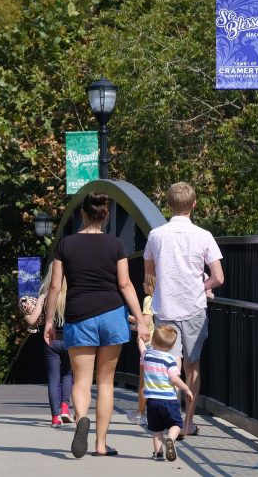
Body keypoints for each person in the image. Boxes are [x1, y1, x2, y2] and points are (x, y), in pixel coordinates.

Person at [43, 192, 147, 458]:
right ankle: (101, 444)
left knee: (81, 380)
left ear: (82, 214)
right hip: (113, 315)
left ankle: (81, 421)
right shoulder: (116, 245)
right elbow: (124, 284)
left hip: (80, 316)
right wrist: (142, 320)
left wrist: (48, 321)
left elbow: (55, 285)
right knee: (106, 383)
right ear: (106, 215)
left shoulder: (66, 245)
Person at [144, 181, 224, 438]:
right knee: (193, 367)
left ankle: (170, 421)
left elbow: (149, 274)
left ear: (168, 205)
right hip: (193, 310)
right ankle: (187, 423)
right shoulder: (204, 236)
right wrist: (202, 287)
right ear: (194, 204)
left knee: (170, 367)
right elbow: (219, 278)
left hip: (165, 310)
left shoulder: (156, 235)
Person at [20, 267, 74, 427]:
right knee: (68, 375)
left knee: (53, 378)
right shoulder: (73, 294)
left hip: (51, 341)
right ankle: (65, 408)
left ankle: (55, 417)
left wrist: (25, 311)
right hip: (70, 340)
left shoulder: (45, 295)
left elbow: (32, 321)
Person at [142, 325, 194, 462]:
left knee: (156, 429)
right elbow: (174, 379)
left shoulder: (147, 356)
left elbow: (142, 349)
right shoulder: (170, 360)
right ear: (171, 347)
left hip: (152, 400)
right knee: (176, 424)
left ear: (153, 341)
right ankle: (170, 438)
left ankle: (158, 453)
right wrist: (186, 389)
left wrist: (140, 340)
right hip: (169, 400)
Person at [127, 272, 156, 426]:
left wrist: (127, 316)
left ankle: (140, 414)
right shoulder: (162, 300)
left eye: (145, 283)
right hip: (162, 344)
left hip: (149, 344)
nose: (143, 285)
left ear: (151, 285)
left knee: (144, 382)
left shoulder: (148, 299)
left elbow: (145, 321)